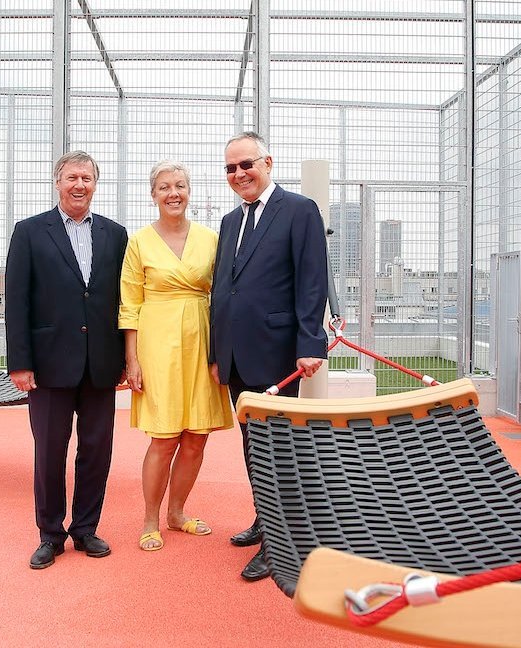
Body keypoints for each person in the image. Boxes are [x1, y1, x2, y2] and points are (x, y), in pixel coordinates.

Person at [208, 131, 328, 582]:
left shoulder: (299, 211)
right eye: (231, 168)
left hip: (279, 354)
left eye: (246, 165)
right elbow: (224, 287)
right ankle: (265, 519)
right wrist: (220, 352)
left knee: (281, 447)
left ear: (268, 163)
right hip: (238, 355)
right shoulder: (229, 221)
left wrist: (310, 345)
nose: (239, 174)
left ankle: (284, 543)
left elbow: (311, 281)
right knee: (252, 444)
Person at [4, 150, 129, 570]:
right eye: (72, 177)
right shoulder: (29, 232)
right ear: (58, 182)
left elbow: (121, 301)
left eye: (87, 178)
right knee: (50, 451)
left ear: (96, 184)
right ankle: (50, 534)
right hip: (48, 365)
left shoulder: (115, 234)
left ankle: (86, 529)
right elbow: (17, 303)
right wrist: (20, 363)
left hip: (101, 365)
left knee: (97, 450)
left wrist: (127, 361)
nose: (80, 185)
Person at [119, 160, 234, 552]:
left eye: (181, 186)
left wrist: (222, 353)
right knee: (165, 436)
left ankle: (177, 512)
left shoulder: (210, 239)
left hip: (201, 343)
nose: (174, 193)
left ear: (190, 192)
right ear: (153, 195)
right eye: (165, 187)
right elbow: (129, 305)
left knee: (197, 436)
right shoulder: (138, 242)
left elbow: (222, 298)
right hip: (157, 345)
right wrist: (132, 361)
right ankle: (150, 519)